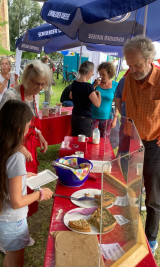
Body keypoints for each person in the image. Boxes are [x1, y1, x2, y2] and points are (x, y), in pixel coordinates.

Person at [0, 100, 53, 267]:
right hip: (12, 220)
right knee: (16, 260)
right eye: (28, 128)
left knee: (11, 256)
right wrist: (40, 194)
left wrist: (22, 176)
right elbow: (17, 202)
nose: (28, 132)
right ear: (19, 129)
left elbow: (2, 175)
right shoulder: (17, 156)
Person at [0, 59, 52, 217]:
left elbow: (32, 122)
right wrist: (16, 146)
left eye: (43, 84)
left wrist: (40, 134)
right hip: (12, 148)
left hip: (29, 146)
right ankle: (14, 220)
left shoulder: (35, 96)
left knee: (29, 183)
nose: (39, 88)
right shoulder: (12, 95)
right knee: (15, 188)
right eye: (36, 83)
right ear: (26, 79)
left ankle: (23, 218)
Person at [122, 36, 160, 255]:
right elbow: (126, 103)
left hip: (155, 144)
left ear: (149, 59)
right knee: (130, 189)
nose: (133, 70)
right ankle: (130, 231)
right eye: (129, 65)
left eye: (137, 65)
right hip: (134, 142)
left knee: (154, 196)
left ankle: (151, 239)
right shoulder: (128, 78)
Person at [70, 61, 101, 137]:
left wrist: (92, 88)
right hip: (84, 120)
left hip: (75, 117)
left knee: (76, 142)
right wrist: (99, 94)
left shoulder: (74, 83)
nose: (91, 75)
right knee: (84, 144)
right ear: (89, 72)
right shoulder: (88, 86)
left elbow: (71, 96)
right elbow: (97, 104)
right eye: (92, 73)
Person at [91, 62, 119, 138]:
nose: (101, 76)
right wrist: (94, 86)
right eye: (100, 74)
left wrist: (115, 118)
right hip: (94, 116)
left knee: (104, 140)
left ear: (109, 73)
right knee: (93, 139)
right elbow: (89, 96)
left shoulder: (115, 85)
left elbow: (118, 103)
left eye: (103, 74)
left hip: (107, 118)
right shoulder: (96, 84)